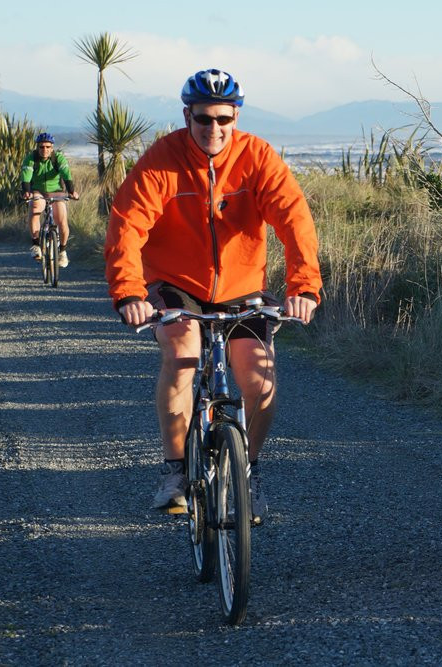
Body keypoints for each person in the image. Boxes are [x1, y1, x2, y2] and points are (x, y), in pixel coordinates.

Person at [105, 68, 322, 520]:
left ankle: (249, 472)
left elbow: (294, 222)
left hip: (243, 290)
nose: (215, 129)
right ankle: (176, 471)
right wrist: (129, 292)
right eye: (204, 118)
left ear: (236, 115)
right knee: (183, 356)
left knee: (259, 384)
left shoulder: (257, 157)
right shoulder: (163, 159)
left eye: (225, 119)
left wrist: (303, 287)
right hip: (176, 286)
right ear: (188, 115)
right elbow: (127, 226)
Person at [20, 132, 79, 268]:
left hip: (56, 191)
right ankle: (35, 245)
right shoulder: (30, 159)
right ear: (37, 147)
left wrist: (71, 192)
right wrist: (27, 192)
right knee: (35, 208)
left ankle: (63, 251)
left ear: (52, 148)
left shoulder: (58, 158)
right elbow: (26, 178)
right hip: (38, 191)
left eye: (47, 147)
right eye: (41, 147)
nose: (44, 150)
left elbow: (66, 175)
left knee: (62, 220)